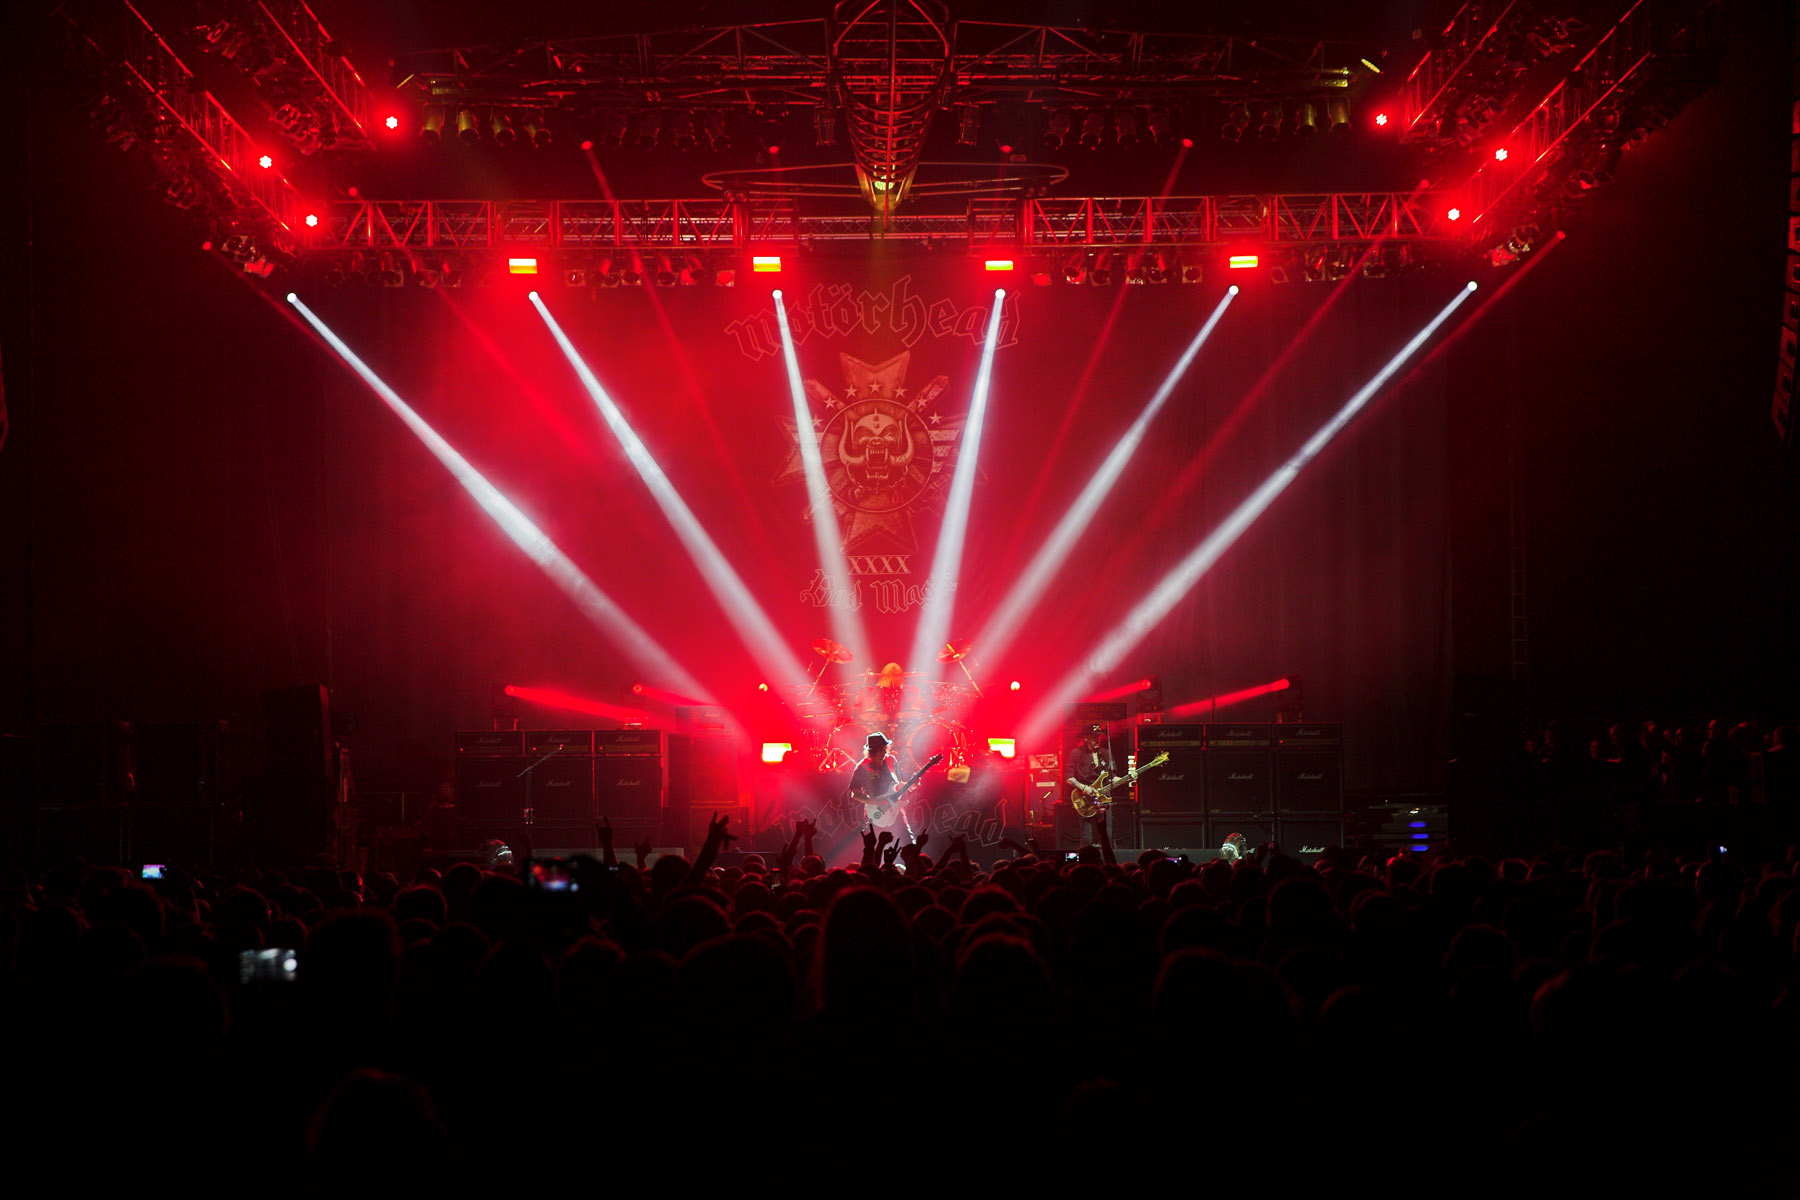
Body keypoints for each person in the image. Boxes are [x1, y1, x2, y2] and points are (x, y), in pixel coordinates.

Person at [1065, 723, 1116, 837]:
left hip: (1104, 798)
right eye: (1094, 737)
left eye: (1098, 737)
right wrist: (1084, 788)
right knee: (1086, 835)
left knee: (1107, 834)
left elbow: (1112, 777)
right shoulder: (1076, 754)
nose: (1097, 740)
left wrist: (1129, 778)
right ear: (1085, 738)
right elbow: (1068, 778)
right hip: (1085, 798)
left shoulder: (1106, 753)